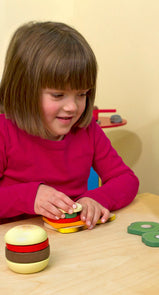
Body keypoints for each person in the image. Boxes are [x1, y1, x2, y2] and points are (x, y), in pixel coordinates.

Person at [0, 21, 139, 229]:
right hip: (15, 249)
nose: (72, 107)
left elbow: (126, 179)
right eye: (58, 95)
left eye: (82, 94)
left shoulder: (87, 129)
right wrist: (29, 196)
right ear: (23, 90)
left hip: (74, 245)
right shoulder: (5, 131)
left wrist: (96, 198)